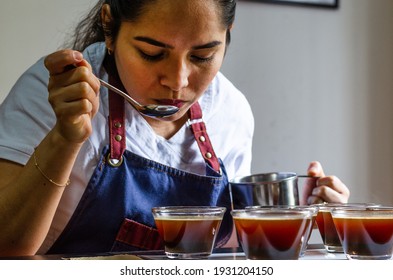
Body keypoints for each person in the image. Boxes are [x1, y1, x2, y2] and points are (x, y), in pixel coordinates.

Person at [0, 0, 349, 257]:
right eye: (152, 53)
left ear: (227, 36)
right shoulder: (56, 92)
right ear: (109, 27)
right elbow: (6, 245)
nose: (178, 82)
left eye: (202, 56)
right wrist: (64, 138)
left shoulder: (231, 111)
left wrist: (306, 218)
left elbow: (225, 252)